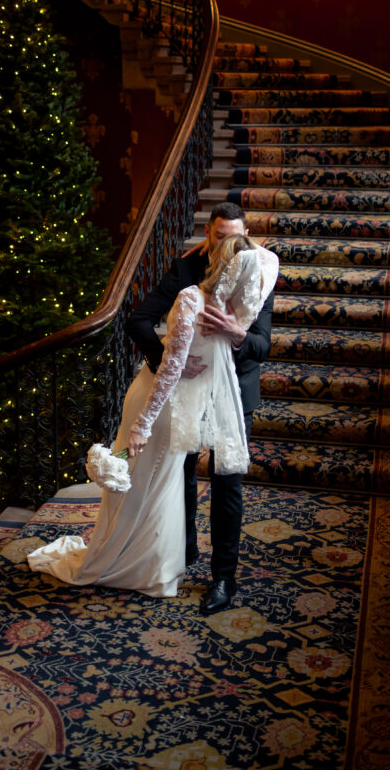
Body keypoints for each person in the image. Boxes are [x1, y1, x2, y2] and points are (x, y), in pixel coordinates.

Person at [26, 232, 278, 603]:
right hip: (161, 404)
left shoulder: (238, 307)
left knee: (176, 488)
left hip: (206, 400)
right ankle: (132, 562)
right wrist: (141, 427)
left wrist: (235, 330)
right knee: (150, 486)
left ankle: (174, 568)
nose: (252, 282)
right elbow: (171, 371)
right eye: (242, 270)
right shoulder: (191, 298)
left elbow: (269, 278)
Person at [125, 202, 276, 614]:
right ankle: (185, 553)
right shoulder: (187, 271)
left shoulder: (257, 270)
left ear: (244, 236)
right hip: (189, 390)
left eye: (233, 236)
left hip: (235, 388)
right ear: (208, 233)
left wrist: (237, 334)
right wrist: (168, 360)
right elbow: (137, 320)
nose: (225, 242)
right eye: (218, 234)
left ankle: (224, 579)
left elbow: (262, 346)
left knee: (228, 485)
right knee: (183, 471)